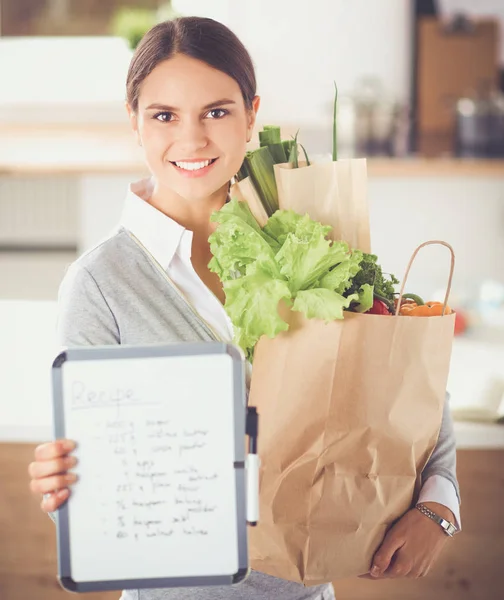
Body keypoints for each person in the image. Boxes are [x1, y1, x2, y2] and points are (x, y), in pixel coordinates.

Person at [27, 16, 461, 600]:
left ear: (252, 113)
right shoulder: (100, 284)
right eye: (164, 116)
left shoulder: (314, 243)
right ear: (133, 121)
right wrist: (66, 495)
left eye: (216, 111)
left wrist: (439, 507)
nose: (192, 139)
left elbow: (408, 386)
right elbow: (96, 518)